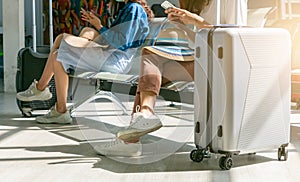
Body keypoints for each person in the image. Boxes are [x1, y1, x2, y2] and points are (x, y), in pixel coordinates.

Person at [94, 0, 249, 157]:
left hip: (221, 63)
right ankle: (144, 116)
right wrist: (182, 25)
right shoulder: (202, 3)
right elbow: (199, 41)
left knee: (150, 63)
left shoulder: (232, 2)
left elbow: (234, 37)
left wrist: (196, 20)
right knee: (150, 64)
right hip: (200, 58)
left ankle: (133, 139)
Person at [16, 0, 152, 124]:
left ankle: (41, 89)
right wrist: (96, 28)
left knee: (61, 40)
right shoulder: (130, 8)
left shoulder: (134, 8)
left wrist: (98, 25)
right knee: (59, 56)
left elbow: (121, 42)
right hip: (112, 57)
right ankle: (59, 109)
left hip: (114, 60)